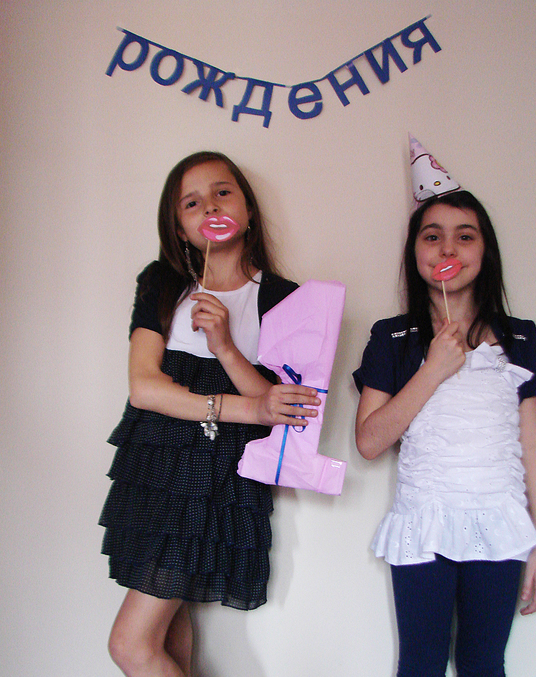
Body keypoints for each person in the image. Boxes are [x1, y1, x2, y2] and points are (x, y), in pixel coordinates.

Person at [100, 151, 320, 677]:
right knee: (165, 641)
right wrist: (247, 406)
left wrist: (224, 346)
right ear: (179, 227)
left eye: (222, 192)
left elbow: (280, 408)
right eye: (192, 202)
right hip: (152, 466)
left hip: (215, 472)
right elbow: (143, 388)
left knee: (130, 646)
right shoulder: (163, 282)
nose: (210, 207)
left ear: (248, 207)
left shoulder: (283, 298)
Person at [353, 190, 536, 677]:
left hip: (500, 523)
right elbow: (369, 442)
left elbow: (533, 445)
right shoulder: (393, 337)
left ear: (485, 252)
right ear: (414, 251)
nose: (447, 248)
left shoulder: (519, 338)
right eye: (432, 236)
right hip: (423, 522)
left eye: (464, 237)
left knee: (484, 664)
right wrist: (433, 370)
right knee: (420, 665)